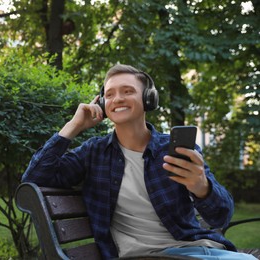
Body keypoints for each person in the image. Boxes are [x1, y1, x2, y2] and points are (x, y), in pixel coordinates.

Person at [22, 64, 256, 259]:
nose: (117, 99)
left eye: (127, 91)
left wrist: (202, 187)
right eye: (110, 94)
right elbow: (33, 180)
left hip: (195, 249)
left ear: (148, 99)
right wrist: (73, 127)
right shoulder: (94, 153)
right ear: (102, 104)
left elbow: (221, 216)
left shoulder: (174, 149)